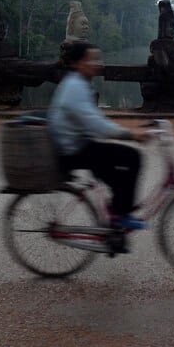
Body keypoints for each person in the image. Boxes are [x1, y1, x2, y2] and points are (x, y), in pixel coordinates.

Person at [48, 42, 150, 231]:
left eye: (97, 58)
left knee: (119, 173)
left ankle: (119, 211)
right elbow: (97, 125)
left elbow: (95, 121)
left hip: (79, 145)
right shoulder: (75, 87)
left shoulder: (78, 83)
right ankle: (120, 215)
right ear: (77, 64)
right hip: (74, 150)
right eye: (91, 59)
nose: (97, 63)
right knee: (133, 157)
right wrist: (130, 135)